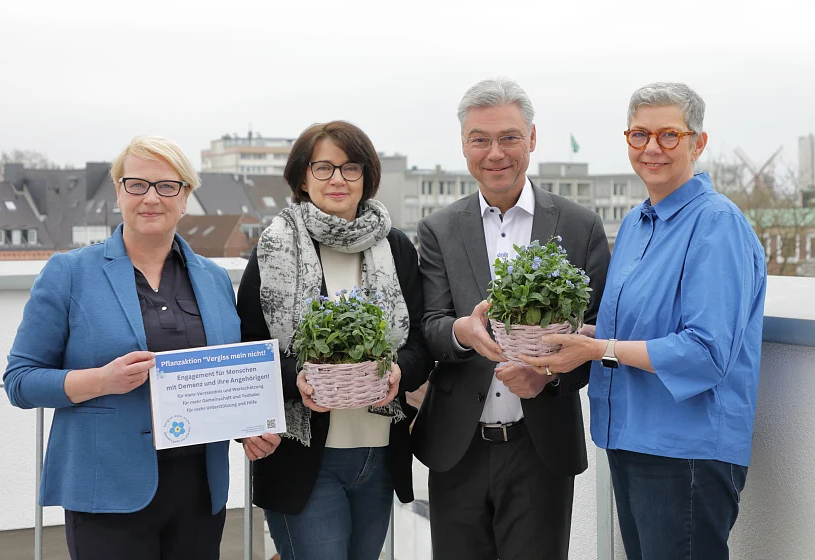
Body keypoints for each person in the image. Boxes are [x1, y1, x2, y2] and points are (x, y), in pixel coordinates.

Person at [3, 135, 280, 560]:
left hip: (198, 493)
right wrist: (101, 380)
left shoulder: (214, 278)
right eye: (136, 184)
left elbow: (224, 375)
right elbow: (20, 381)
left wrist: (246, 426)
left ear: (186, 196)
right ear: (118, 192)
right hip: (107, 489)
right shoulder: (70, 272)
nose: (151, 198)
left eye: (167, 186)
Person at [524, 82, 767, 560]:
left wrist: (598, 350)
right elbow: (635, 332)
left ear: (698, 142)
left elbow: (706, 352)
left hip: (686, 451)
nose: (652, 148)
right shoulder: (637, 223)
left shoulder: (717, 223)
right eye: (639, 135)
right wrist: (586, 337)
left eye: (668, 135)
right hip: (631, 438)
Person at [413, 77, 610, 560]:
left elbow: (599, 333)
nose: (495, 152)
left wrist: (548, 375)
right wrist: (461, 332)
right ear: (464, 146)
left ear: (532, 139)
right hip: (457, 449)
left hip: (540, 449)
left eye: (508, 138)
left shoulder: (579, 225)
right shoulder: (438, 228)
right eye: (480, 139)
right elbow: (431, 325)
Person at [236, 120, 434, 560]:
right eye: (323, 168)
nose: (338, 180)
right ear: (302, 178)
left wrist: (400, 371)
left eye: (350, 167)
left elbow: (420, 340)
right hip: (302, 456)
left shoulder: (396, 247)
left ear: (367, 176)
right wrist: (297, 380)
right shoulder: (274, 248)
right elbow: (247, 351)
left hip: (379, 452)